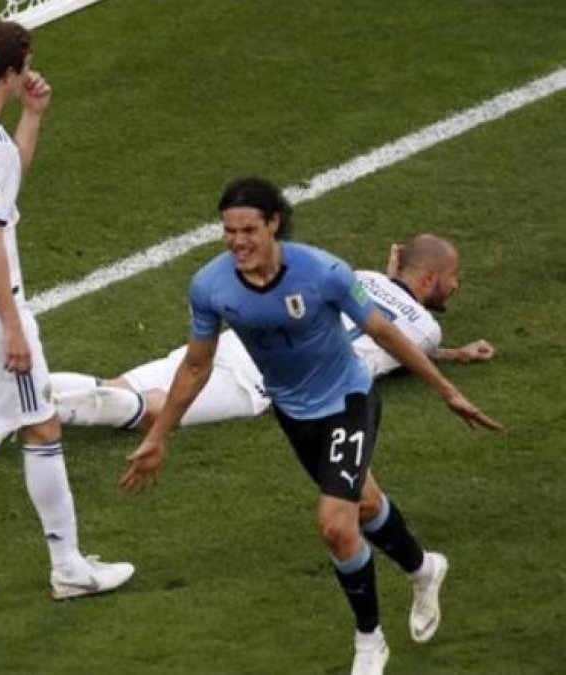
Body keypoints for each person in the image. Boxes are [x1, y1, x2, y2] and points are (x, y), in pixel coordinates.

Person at [118, 178, 501, 675]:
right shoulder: (210, 286)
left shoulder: (323, 272)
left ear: (273, 224)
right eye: (229, 231)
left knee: (335, 524)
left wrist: (448, 391)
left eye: (248, 230)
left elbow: (383, 331)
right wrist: (158, 435)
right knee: (366, 505)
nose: (237, 242)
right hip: (293, 412)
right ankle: (425, 568)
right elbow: (196, 365)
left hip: (348, 400)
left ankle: (369, 641)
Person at [0, 17, 134, 610]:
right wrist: (13, 326)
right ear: (9, 72)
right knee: (41, 426)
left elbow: (1, 187)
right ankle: (68, 568)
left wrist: (32, 116)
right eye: (25, 66)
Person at [47, 234, 495, 434]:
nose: (457, 285)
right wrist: (450, 364)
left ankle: (23, 391)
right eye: (453, 276)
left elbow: (380, 325)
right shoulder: (427, 328)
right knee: (153, 412)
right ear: (429, 277)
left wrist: (455, 353)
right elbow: (395, 341)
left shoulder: (359, 276)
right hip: (263, 380)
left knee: (117, 385)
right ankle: (30, 413)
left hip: (241, 340)